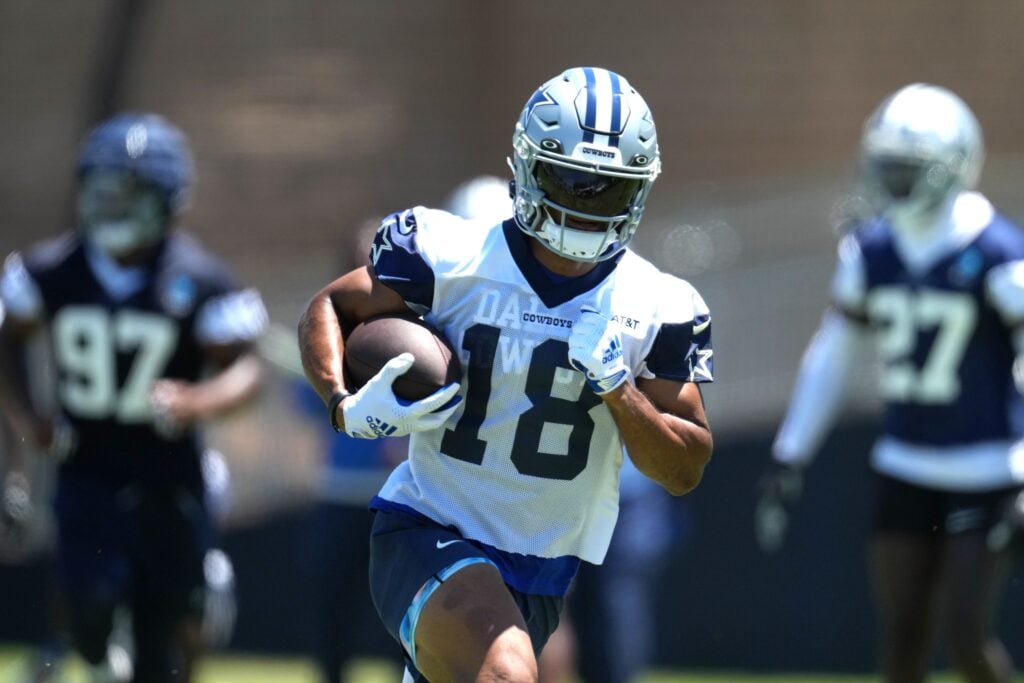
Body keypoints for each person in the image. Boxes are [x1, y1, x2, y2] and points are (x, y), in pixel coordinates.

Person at [298, 66, 714, 683]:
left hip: (542, 566)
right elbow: (330, 307)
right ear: (526, 165)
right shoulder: (450, 255)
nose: (583, 205)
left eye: (607, 189)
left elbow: (683, 469)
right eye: (569, 180)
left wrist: (618, 390)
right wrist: (342, 403)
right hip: (427, 526)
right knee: (506, 675)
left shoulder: (659, 305)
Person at [755, 84, 1023, 683]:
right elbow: (833, 352)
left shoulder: (999, 252)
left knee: (965, 636)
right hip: (905, 464)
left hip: (985, 470)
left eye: (909, 170)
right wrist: (791, 451)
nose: (894, 182)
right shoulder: (872, 251)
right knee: (901, 642)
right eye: (889, 167)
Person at [0, 112, 267, 683]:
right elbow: (9, 343)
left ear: (166, 200)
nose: (109, 205)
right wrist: (29, 416)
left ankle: (200, 587)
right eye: (100, 191)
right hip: (86, 465)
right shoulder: (50, 270)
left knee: (163, 640)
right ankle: (100, 659)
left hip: (169, 472)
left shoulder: (198, 277)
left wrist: (198, 401)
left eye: (126, 193)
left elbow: (246, 369)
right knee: (86, 608)